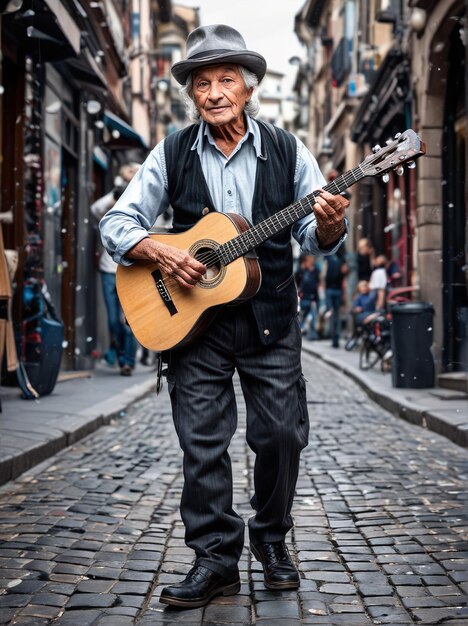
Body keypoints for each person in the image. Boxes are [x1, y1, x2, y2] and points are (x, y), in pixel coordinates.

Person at [99, 24, 348, 609]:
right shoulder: (173, 150)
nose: (213, 92)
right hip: (194, 326)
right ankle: (214, 560)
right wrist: (161, 250)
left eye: (225, 80)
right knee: (202, 444)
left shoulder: (287, 150)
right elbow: (117, 222)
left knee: (281, 435)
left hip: (269, 320)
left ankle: (272, 540)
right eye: (202, 82)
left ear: (248, 87)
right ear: (191, 93)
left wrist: (331, 224)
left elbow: (315, 232)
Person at [91, 163, 140, 376]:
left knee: (128, 319)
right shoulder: (116, 195)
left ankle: (128, 361)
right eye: (130, 171)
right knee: (113, 320)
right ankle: (122, 357)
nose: (133, 174)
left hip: (133, 270)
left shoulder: (144, 196)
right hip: (109, 269)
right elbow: (95, 210)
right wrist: (116, 194)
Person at [324, 248, 347, 348]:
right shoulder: (342, 259)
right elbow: (344, 275)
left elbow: (324, 274)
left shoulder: (328, 257)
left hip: (331, 290)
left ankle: (334, 339)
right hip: (336, 290)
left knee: (333, 315)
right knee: (335, 316)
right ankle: (335, 339)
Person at [295, 254, 320, 339]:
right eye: (309, 260)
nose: (310, 261)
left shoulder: (315, 270)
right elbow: (297, 279)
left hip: (313, 296)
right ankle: (300, 330)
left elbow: (317, 282)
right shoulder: (302, 270)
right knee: (304, 314)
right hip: (304, 296)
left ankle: (313, 335)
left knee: (313, 315)